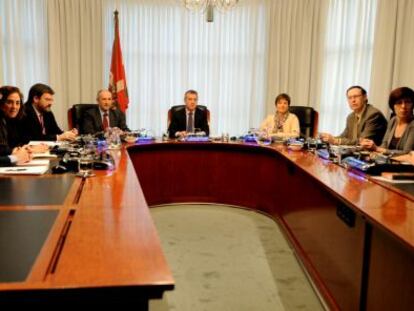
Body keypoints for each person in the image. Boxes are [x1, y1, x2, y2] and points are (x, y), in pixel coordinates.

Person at [320, 86, 387, 145]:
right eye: (350, 98)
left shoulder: (373, 114)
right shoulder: (351, 117)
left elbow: (363, 141)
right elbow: (344, 136)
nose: (353, 100)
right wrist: (329, 138)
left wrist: (336, 141)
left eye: (356, 96)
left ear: (365, 97)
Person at [360, 87, 414, 154]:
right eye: (399, 103)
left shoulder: (412, 124)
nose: (403, 106)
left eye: (407, 102)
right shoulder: (393, 120)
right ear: (393, 106)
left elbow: (407, 152)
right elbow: (385, 143)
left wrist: (377, 149)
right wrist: (374, 150)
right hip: (389, 161)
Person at [0, 86, 32, 166]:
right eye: (9, 102)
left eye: (17, 103)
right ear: (1, 104)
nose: (14, 107)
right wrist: (15, 156)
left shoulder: (11, 119)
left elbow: (14, 143)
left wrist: (22, 150)